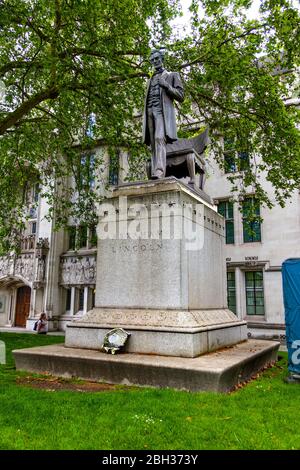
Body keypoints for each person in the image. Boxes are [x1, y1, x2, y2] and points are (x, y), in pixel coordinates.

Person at [142, 49, 184, 179]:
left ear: (162, 59)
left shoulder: (172, 75)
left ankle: (160, 171)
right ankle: (155, 171)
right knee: (153, 142)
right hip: (149, 110)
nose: (155, 61)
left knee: (160, 138)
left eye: (157, 58)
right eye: (153, 59)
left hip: (161, 112)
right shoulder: (149, 80)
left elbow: (181, 96)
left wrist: (166, 86)